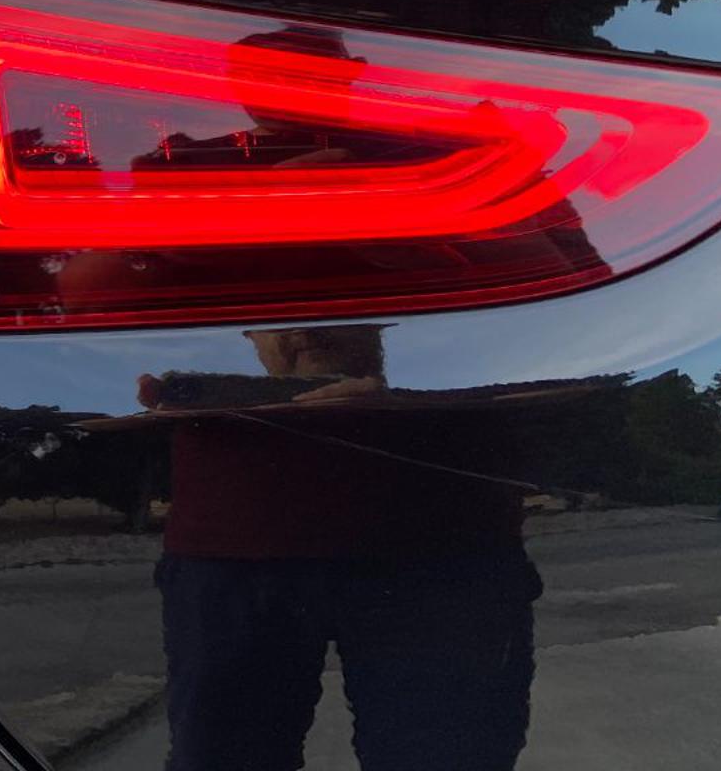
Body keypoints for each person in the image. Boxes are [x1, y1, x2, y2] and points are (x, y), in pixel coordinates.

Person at [145, 325, 542, 771]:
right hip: (243, 547)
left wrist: (417, 391)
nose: (304, 323)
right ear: (248, 334)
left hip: (438, 544)